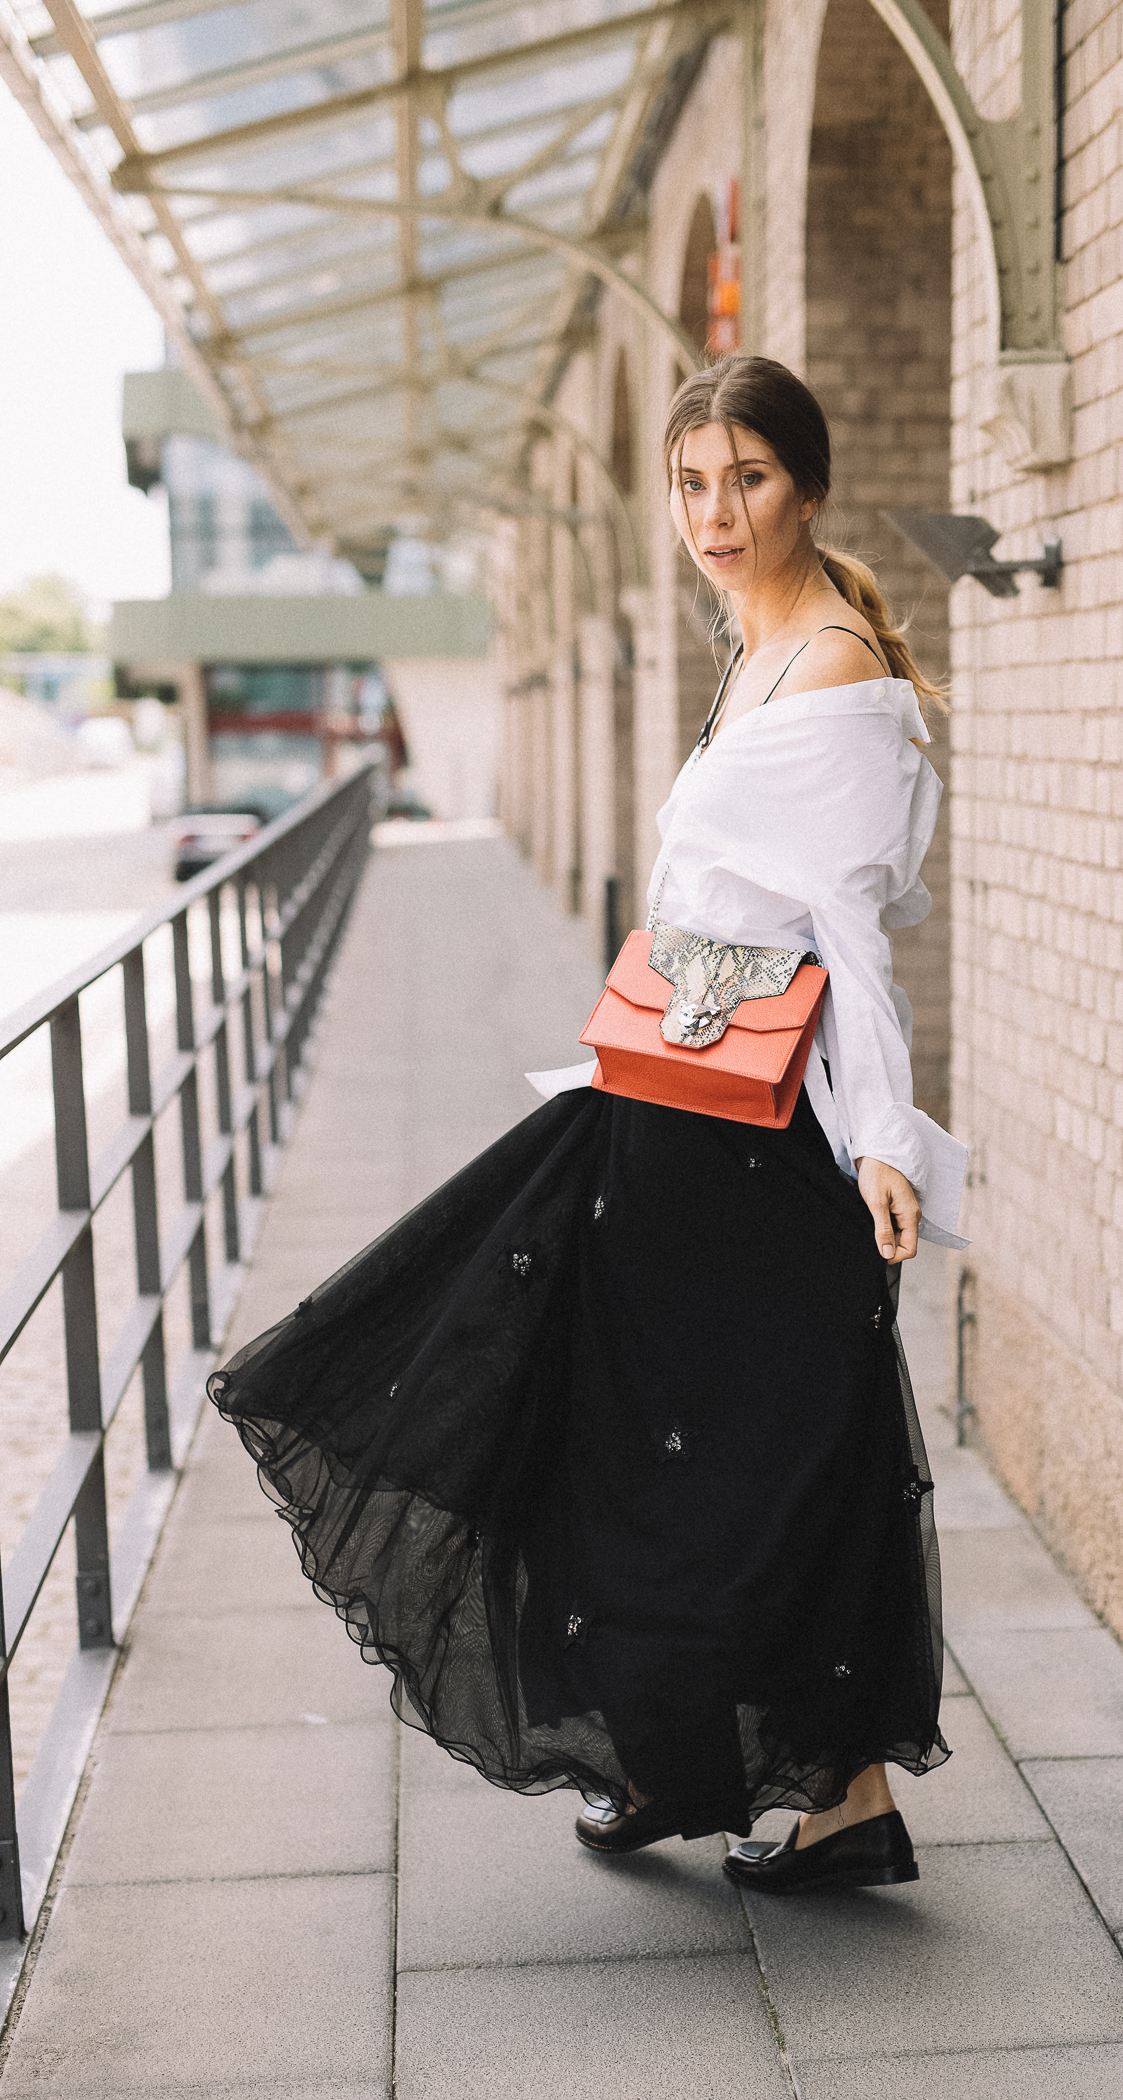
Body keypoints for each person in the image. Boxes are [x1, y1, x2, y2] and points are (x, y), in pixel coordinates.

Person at [209, 353, 968, 1896]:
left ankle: (833, 1797)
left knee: (726, 1456)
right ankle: (684, 1759)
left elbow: (851, 934)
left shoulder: (824, 665)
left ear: (807, 483)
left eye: (748, 476)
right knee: (633, 1445)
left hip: (743, 1139)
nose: (716, 511)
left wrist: (887, 1135)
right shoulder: (752, 647)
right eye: (692, 482)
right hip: (664, 1105)